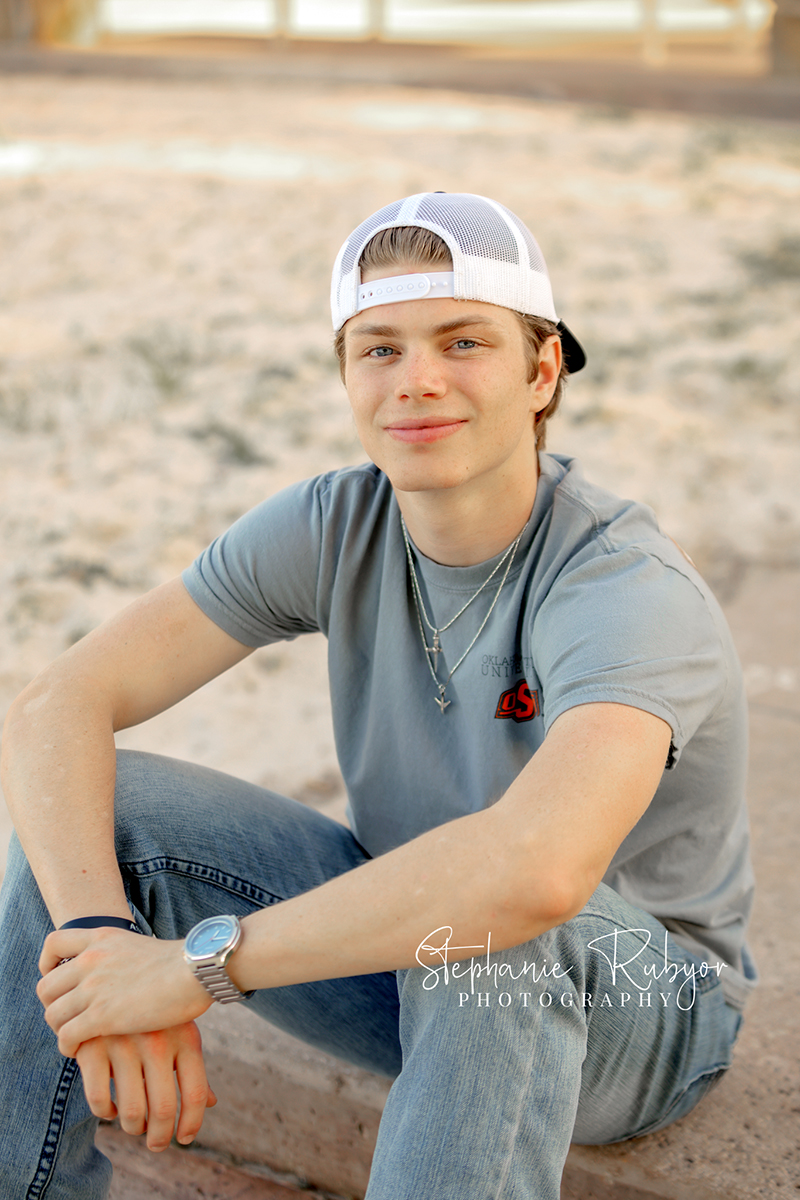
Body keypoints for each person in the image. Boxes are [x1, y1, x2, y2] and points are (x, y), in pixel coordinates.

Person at [0, 192, 756, 1200]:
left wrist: (192, 968)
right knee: (110, 811)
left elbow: (534, 875)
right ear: (347, 377)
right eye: (379, 348)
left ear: (540, 372)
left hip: (645, 1004)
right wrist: (103, 951)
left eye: (461, 341)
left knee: (489, 936)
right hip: (406, 958)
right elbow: (59, 702)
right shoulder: (334, 523)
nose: (418, 381)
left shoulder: (620, 586)